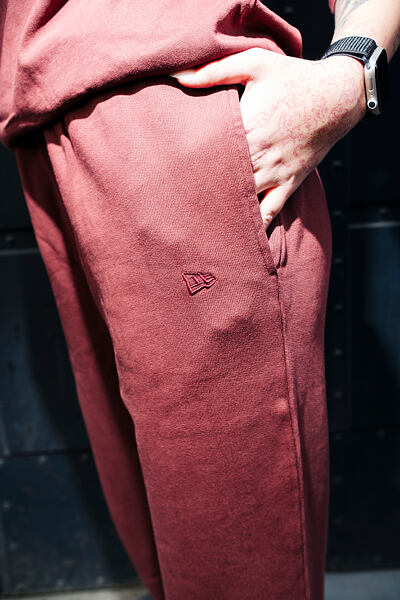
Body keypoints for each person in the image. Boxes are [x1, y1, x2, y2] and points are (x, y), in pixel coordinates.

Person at [0, 1, 398, 599]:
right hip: (49, 133)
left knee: (242, 571)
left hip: (193, 134)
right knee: (165, 554)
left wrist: (351, 71)